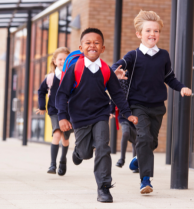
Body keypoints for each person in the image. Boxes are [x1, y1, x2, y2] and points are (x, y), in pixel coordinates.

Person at [112, 10, 192, 194]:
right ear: (139, 34)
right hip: (137, 105)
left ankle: (139, 160)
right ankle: (145, 180)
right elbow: (116, 65)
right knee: (145, 138)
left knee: (152, 142)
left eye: (156, 31)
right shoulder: (133, 56)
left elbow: (169, 78)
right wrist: (116, 71)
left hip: (157, 106)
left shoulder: (164, 55)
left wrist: (181, 88)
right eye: (148, 31)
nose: (152, 34)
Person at [56, 28, 138, 203]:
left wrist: (127, 113)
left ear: (103, 48)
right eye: (88, 42)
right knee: (86, 153)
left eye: (96, 43)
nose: (92, 45)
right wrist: (62, 117)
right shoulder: (74, 68)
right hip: (79, 116)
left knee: (102, 146)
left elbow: (116, 94)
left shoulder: (106, 70)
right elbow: (62, 94)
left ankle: (104, 188)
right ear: (81, 47)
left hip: (101, 114)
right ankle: (78, 152)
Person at [36, 47, 72, 176]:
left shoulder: (72, 75)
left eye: (65, 59)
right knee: (57, 133)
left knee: (65, 138)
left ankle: (63, 160)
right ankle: (52, 164)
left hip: (69, 111)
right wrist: (42, 106)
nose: (63, 61)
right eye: (60, 59)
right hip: (54, 110)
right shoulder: (50, 78)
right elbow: (41, 91)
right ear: (55, 61)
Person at [110, 77, 138, 173]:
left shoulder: (136, 78)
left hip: (136, 113)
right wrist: (111, 110)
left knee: (136, 139)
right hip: (123, 113)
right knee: (125, 133)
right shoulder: (119, 81)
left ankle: (136, 163)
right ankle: (122, 159)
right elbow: (114, 96)